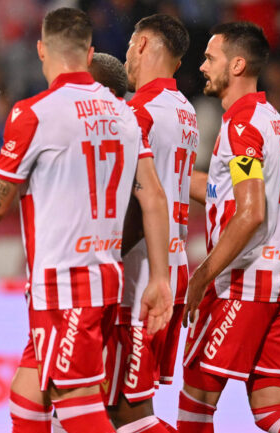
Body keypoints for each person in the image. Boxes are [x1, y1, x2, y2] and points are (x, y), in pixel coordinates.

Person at [0, 8, 173, 433]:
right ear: (89, 54)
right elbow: (154, 197)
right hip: (102, 274)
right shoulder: (125, 113)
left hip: (66, 283)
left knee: (78, 405)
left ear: (41, 50)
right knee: (28, 392)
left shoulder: (35, 112)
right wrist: (160, 276)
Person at [179, 22, 280, 433]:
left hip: (242, 283)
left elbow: (250, 211)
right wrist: (160, 172)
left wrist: (203, 274)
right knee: (274, 411)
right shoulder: (269, 119)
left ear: (237, 65)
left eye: (211, 58)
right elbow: (228, 191)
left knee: (194, 410)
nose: (203, 67)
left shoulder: (241, 126)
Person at [101, 14, 196, 433]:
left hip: (137, 282)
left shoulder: (137, 112)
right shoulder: (186, 111)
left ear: (139, 45)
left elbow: (133, 200)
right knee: (123, 405)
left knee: (125, 410)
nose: (127, 60)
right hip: (171, 271)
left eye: (127, 51)